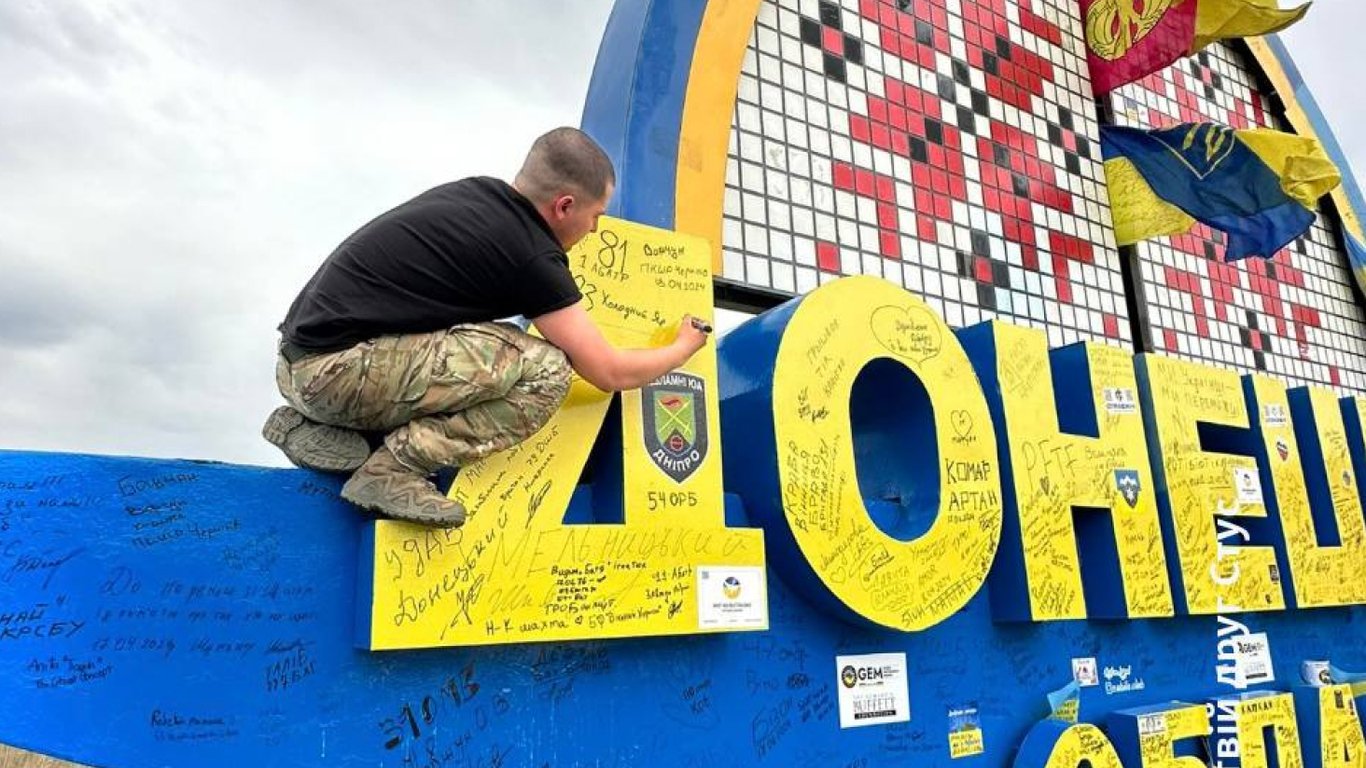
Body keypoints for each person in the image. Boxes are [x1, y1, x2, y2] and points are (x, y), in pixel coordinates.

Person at [263, 127, 710, 528]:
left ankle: (321, 428)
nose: (594, 229)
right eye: (596, 215)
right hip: (335, 374)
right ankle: (396, 468)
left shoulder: (477, 196)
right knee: (546, 369)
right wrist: (684, 347)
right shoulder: (530, 254)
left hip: (297, 367)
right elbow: (607, 372)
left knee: (479, 344)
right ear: (564, 206)